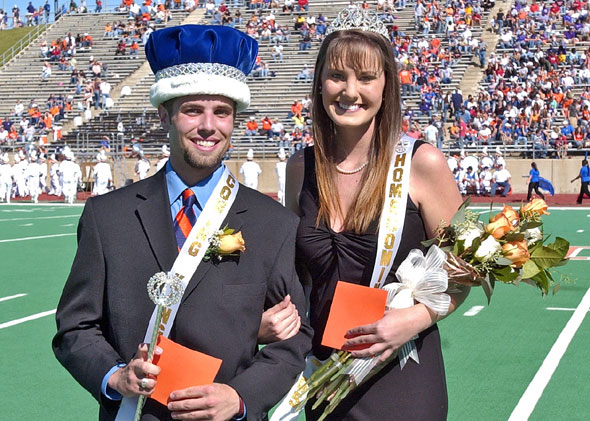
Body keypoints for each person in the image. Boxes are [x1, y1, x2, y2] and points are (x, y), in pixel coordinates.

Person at [52, 24, 312, 421]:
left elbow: (295, 338)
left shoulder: (273, 223)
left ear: (234, 120)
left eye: (222, 112)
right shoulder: (107, 217)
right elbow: (76, 327)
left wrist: (239, 397)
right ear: (165, 115)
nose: (208, 126)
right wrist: (115, 377)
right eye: (192, 110)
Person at [284, 6, 469, 419]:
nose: (350, 91)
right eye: (337, 76)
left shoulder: (424, 164)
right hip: (325, 373)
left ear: (387, 86)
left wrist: (413, 319)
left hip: (399, 371)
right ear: (318, 84)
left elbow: (464, 273)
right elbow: (299, 275)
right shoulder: (300, 168)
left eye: (366, 77)